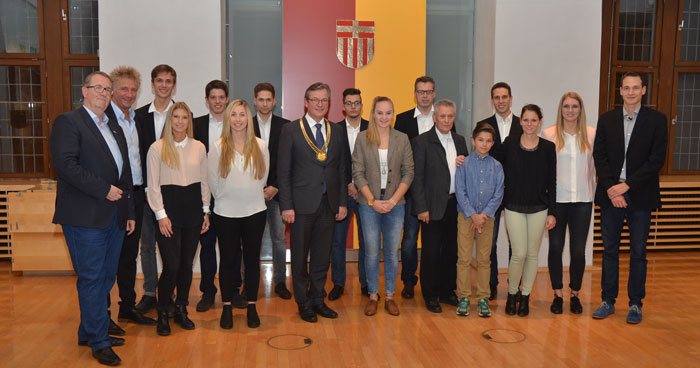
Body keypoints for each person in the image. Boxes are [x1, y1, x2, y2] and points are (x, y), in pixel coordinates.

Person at [51, 71, 135, 366]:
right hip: (84, 217)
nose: (103, 93)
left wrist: (129, 212)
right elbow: (65, 165)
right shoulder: (69, 122)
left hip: (114, 217)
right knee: (91, 279)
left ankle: (89, 331)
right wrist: (104, 190)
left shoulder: (113, 127)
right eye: (98, 87)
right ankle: (99, 341)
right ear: (84, 91)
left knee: (105, 278)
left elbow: (125, 174)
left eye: (108, 89)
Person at [592, 71, 667, 324]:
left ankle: (635, 304)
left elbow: (656, 160)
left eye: (636, 87)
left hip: (640, 197)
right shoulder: (606, 120)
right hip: (611, 196)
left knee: (638, 253)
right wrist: (613, 188)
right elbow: (599, 157)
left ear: (643, 90)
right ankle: (607, 300)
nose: (631, 92)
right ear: (620, 91)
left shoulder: (657, 120)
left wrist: (627, 187)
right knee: (610, 251)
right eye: (626, 88)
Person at [278, 82, 348, 323]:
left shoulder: (336, 131)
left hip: (329, 204)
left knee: (321, 256)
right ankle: (303, 302)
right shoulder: (290, 130)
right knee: (299, 258)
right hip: (300, 206)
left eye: (324, 100)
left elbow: (341, 169)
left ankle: (318, 299)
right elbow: (283, 171)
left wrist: (342, 202)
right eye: (315, 100)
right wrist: (286, 205)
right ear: (306, 102)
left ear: (329, 104)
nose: (320, 104)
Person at [146, 102, 210, 336]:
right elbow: (152, 186)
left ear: (189, 121)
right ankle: (163, 310)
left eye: (184, 117)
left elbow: (204, 181)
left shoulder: (199, 147)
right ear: (169, 120)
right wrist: (161, 215)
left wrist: (206, 211)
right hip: (168, 213)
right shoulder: (157, 148)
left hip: (193, 212)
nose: (180, 121)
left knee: (186, 266)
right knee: (171, 266)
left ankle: (181, 308)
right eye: (176, 117)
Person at [209, 99, 269, 329]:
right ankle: (226, 307)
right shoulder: (217, 146)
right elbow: (213, 183)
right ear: (227, 118)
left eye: (242, 115)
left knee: (252, 261)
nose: (237, 119)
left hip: (255, 211)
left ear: (248, 118)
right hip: (225, 213)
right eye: (233, 115)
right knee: (227, 261)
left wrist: (247, 195)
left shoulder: (261, 146)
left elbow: (262, 178)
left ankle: (252, 306)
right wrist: (228, 197)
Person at [352, 96, 414, 316]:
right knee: (370, 252)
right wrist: (372, 201)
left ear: (393, 114)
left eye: (388, 112)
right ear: (373, 113)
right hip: (369, 204)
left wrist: (393, 201)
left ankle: (389, 295)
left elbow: (409, 172)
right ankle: (372, 295)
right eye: (380, 112)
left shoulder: (402, 138)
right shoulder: (362, 138)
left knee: (390, 251)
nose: (384, 117)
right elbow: (357, 173)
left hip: (395, 205)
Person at [104, 66, 156, 327]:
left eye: (134, 89)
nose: (129, 93)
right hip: (115, 196)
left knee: (129, 255)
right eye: (124, 88)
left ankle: (127, 306)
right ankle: (103, 314)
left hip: (136, 195)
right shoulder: (105, 119)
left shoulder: (136, 119)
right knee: (109, 256)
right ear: (113, 90)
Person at [493, 104, 556, 317]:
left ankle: (526, 297)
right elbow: (494, 164)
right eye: (526, 120)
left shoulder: (548, 148)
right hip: (513, 207)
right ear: (520, 122)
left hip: (539, 207)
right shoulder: (509, 143)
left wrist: (552, 212)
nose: (529, 124)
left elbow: (552, 182)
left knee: (531, 254)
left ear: (540, 122)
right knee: (518, 253)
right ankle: (512, 295)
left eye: (534, 120)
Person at [192, 80, 246, 312]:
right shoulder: (195, 125)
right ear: (207, 100)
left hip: (231, 197)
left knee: (233, 247)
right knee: (206, 245)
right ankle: (207, 292)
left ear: (227, 99)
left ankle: (233, 290)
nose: (217, 101)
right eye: (212, 97)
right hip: (204, 196)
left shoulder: (237, 124)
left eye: (221, 97)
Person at [411, 99, 468, 313]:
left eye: (450, 116)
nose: (446, 120)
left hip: (456, 205)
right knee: (431, 253)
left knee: (451, 252)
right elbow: (417, 178)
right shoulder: (422, 142)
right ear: (434, 118)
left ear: (454, 118)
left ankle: (447, 290)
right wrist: (421, 207)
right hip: (432, 206)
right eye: (442, 116)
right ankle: (430, 293)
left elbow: (465, 171)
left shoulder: (460, 140)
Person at [541, 92, 596, 315]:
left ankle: (574, 294)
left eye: (574, 106)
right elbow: (544, 171)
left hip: (583, 200)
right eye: (566, 106)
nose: (570, 110)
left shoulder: (591, 134)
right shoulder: (549, 134)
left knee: (578, 251)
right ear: (560, 109)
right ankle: (557, 294)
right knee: (555, 248)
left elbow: (598, 166)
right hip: (557, 201)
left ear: (580, 109)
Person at [134, 64, 177, 314]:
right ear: (152, 84)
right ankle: (150, 293)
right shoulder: (138, 116)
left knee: (170, 249)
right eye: (159, 81)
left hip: (171, 195)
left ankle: (168, 295)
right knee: (147, 247)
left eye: (168, 81)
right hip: (144, 194)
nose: (163, 85)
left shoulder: (182, 114)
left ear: (174, 85)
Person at [475, 82, 522, 301]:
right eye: (496, 97)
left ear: (511, 98)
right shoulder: (483, 125)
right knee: (489, 243)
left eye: (504, 97)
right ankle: (491, 284)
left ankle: (515, 285)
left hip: (516, 194)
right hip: (490, 195)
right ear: (492, 100)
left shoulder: (524, 125)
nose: (500, 101)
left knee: (516, 242)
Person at [394, 76, 437, 299]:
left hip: (436, 192)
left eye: (429, 91)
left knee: (433, 241)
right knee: (410, 239)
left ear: (434, 94)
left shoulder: (443, 118)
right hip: (410, 190)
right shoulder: (402, 120)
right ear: (415, 94)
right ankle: (409, 281)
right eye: (421, 91)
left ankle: (432, 282)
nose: (425, 95)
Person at [454, 122, 504, 318]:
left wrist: (483, 215)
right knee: (464, 258)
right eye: (480, 140)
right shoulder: (464, 164)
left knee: (484, 259)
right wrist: (473, 214)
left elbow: (499, 193)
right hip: (466, 216)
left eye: (488, 141)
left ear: (492, 144)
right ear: (473, 141)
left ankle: (483, 297)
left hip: (487, 218)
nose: (484, 144)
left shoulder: (497, 166)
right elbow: (460, 190)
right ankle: (464, 297)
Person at [252, 82, 292, 300]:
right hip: (251, 194)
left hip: (277, 193)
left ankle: (279, 282)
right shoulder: (244, 124)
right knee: (250, 240)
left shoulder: (285, 126)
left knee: (279, 239)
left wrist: (275, 186)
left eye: (269, 99)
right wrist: (258, 187)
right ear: (255, 101)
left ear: (274, 101)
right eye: (261, 99)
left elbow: (286, 161)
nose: (265, 103)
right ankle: (250, 283)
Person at [330, 88, 369, 300]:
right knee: (337, 241)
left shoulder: (372, 129)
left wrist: (360, 185)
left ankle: (366, 283)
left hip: (367, 194)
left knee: (367, 241)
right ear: (343, 106)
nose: (353, 106)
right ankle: (338, 283)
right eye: (349, 103)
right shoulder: (333, 130)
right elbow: (332, 164)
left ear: (362, 105)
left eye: (357, 103)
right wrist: (347, 184)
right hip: (341, 195)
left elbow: (376, 165)